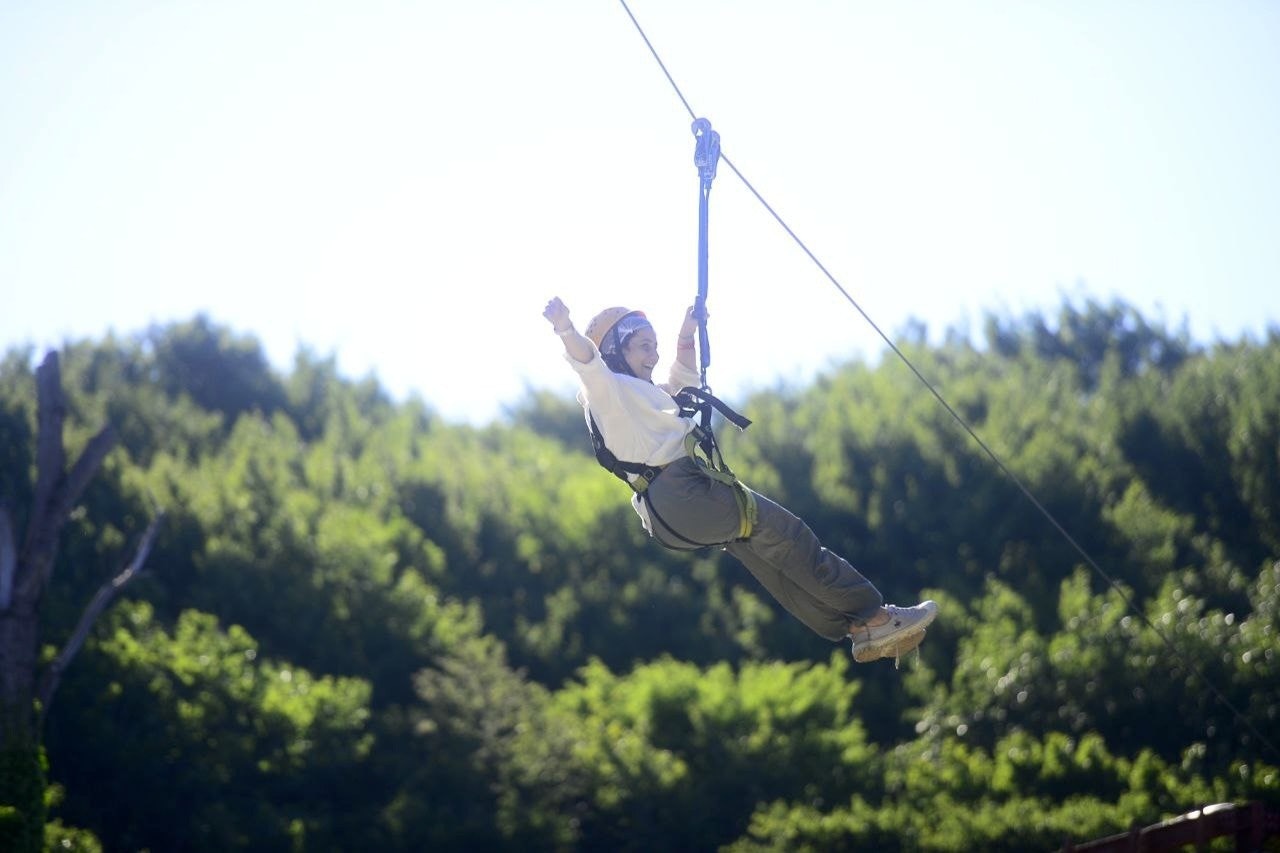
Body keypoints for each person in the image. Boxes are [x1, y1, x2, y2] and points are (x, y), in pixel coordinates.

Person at [542, 297, 938, 663]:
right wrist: (565, 327)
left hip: (671, 512)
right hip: (683, 494)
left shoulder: (639, 397)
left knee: (766, 556)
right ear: (615, 351)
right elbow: (587, 361)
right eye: (644, 346)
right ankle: (874, 615)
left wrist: (686, 334)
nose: (654, 355)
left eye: (654, 346)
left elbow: (682, 380)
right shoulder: (608, 392)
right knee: (789, 536)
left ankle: (857, 628)